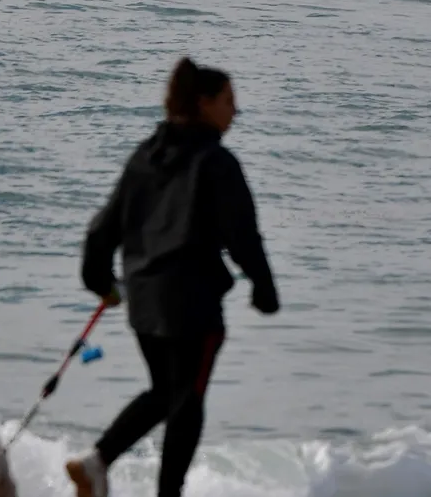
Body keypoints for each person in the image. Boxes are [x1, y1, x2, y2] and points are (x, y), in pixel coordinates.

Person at [65, 58, 280, 497]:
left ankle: (96, 462)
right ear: (203, 104)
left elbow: (101, 229)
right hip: (192, 302)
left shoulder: (145, 155)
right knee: (187, 401)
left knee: (167, 391)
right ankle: (161, 490)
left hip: (144, 301)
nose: (234, 112)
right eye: (228, 101)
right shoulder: (216, 162)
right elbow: (242, 235)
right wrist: (265, 287)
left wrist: (101, 283)